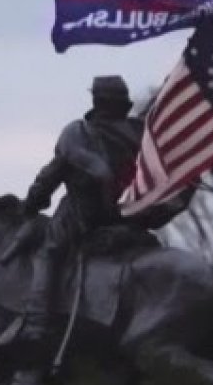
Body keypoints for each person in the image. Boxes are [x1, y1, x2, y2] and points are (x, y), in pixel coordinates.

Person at [18, 75, 143, 341]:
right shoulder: (138, 132)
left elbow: (50, 176)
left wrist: (32, 203)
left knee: (48, 253)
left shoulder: (79, 134)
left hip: (85, 216)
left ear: (97, 101)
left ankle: (37, 321)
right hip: (131, 216)